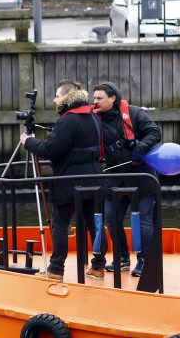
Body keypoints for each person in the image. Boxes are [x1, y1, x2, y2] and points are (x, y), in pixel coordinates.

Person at [20, 80, 103, 280]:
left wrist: (28, 142)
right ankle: (99, 266)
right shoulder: (93, 117)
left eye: (57, 96)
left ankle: (56, 269)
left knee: (60, 223)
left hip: (70, 180)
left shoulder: (67, 120)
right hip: (94, 177)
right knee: (94, 223)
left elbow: (51, 150)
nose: (54, 100)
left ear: (66, 98)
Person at [90, 82, 161, 279]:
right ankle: (122, 258)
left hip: (141, 177)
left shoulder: (135, 113)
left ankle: (144, 260)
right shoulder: (94, 120)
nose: (94, 102)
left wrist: (140, 149)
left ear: (112, 98)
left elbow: (155, 133)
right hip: (113, 178)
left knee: (144, 220)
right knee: (111, 220)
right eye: (94, 98)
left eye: (99, 98)